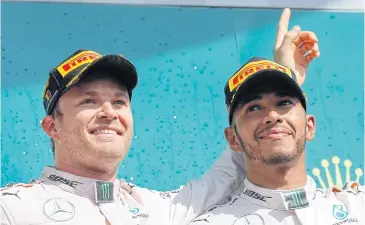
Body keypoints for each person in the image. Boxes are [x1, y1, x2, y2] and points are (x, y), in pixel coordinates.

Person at [0, 8, 320, 225]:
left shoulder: (159, 209)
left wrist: (285, 76)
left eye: (119, 101)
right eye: (88, 100)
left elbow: (242, 155)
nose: (109, 112)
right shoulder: (13, 209)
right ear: (51, 126)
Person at [189, 38, 364, 225]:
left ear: (309, 126)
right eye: (254, 108)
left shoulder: (356, 206)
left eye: (284, 103)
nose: (273, 115)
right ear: (233, 139)